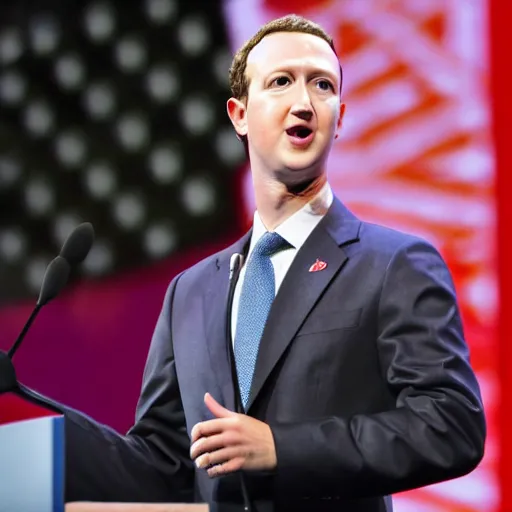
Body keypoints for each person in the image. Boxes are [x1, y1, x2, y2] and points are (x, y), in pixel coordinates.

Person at [16, 14, 486, 512]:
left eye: (321, 85)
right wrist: (50, 449)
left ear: (340, 117)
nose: (303, 102)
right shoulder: (190, 292)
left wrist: (281, 448)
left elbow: (450, 424)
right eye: (281, 82)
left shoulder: (395, 264)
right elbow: (165, 464)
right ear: (239, 114)